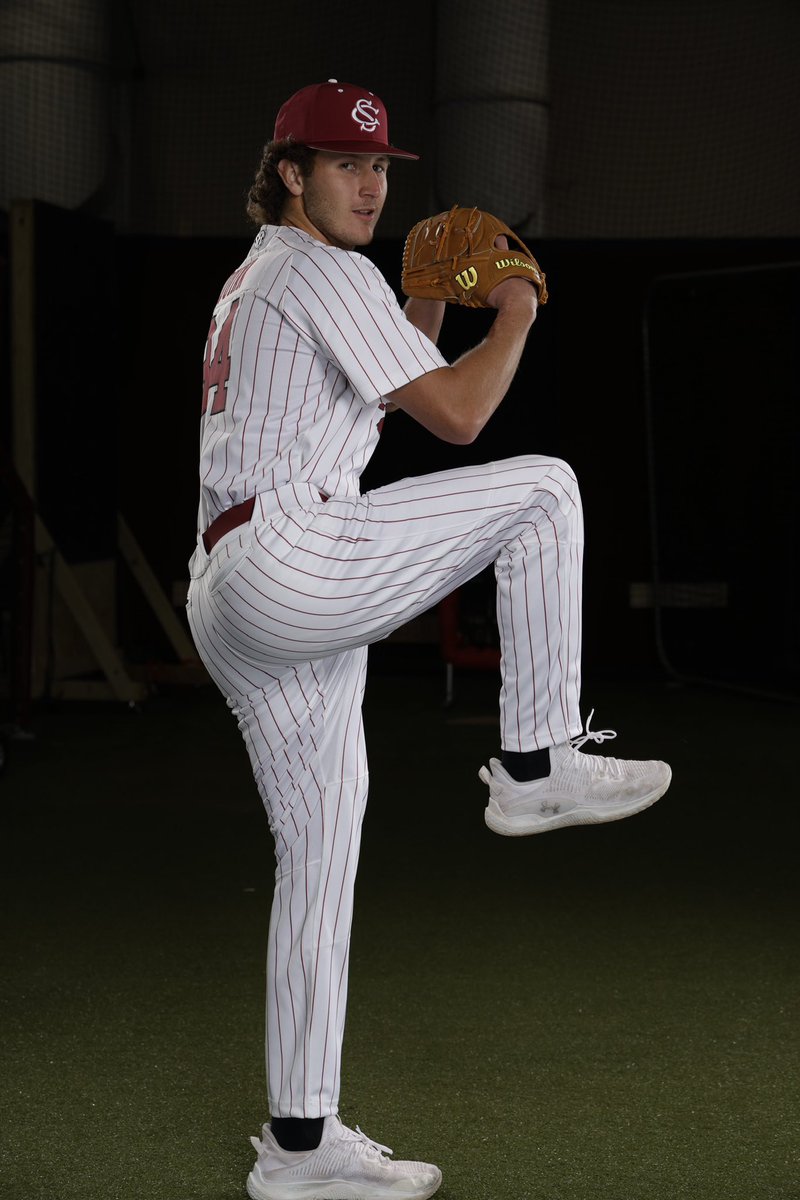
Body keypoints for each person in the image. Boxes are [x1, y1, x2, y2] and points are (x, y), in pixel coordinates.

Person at [186, 79, 671, 1200]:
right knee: (543, 489)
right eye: (344, 164)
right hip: (289, 555)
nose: (370, 182)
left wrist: (431, 308)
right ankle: (537, 762)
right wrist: (511, 309)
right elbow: (455, 416)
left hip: (233, 587)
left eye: (382, 168)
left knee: (317, 857)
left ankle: (298, 1149)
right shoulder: (315, 266)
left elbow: (379, 407)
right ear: (290, 173)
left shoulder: (269, 277)